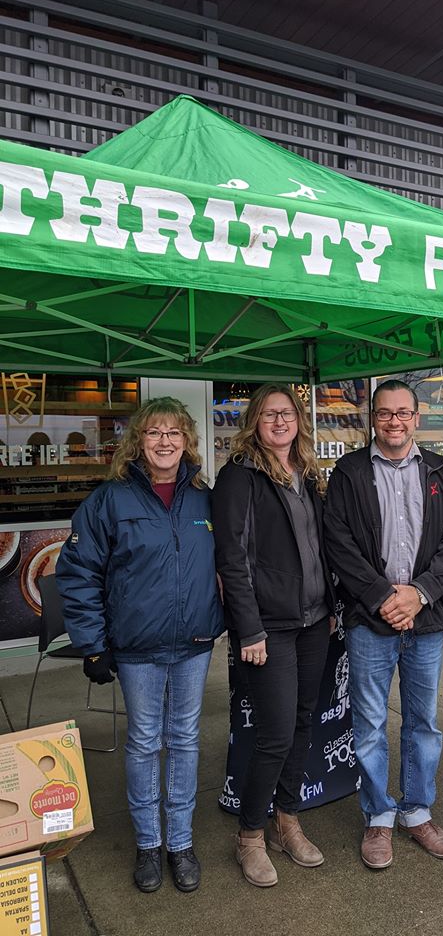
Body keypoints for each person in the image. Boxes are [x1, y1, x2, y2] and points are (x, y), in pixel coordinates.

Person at [55, 397, 224, 894]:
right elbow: (79, 573)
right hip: (136, 648)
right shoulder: (110, 500)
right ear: (138, 441)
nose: (165, 441)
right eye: (154, 432)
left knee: (186, 740)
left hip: (193, 643)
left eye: (174, 432)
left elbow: (227, 565)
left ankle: (181, 842)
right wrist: (91, 644)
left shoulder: (203, 497)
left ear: (187, 440)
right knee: (146, 742)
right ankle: (150, 843)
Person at [324, 379, 443, 870]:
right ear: (372, 417)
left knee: (423, 722)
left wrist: (420, 593)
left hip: (426, 619)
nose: (394, 421)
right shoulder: (348, 472)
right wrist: (384, 596)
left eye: (403, 413)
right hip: (371, 619)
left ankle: (417, 810)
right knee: (368, 725)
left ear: (417, 417)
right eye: (385, 413)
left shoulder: (440, 471)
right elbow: (338, 542)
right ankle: (378, 817)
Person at [212, 383, 333, 889]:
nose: (279, 422)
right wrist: (249, 628)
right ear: (255, 423)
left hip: (314, 621)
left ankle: (288, 820)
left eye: (286, 413)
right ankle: (250, 837)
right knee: (275, 735)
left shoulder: (306, 474)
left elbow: (317, 545)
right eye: (268, 415)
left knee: (303, 722)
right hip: (270, 628)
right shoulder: (239, 476)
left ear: (299, 420)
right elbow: (232, 561)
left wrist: (330, 606)